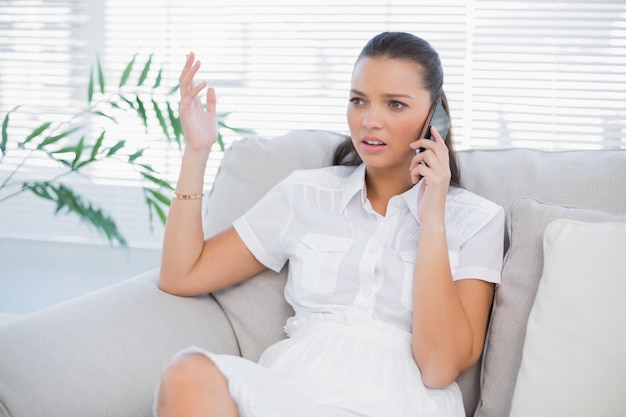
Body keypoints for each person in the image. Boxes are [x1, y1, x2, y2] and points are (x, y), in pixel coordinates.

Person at [155, 31, 504, 417]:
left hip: (399, 401)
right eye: (358, 101)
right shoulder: (305, 194)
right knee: (187, 374)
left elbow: (439, 367)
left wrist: (433, 220)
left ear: (435, 116)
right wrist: (197, 152)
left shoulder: (476, 220)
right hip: (292, 392)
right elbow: (181, 275)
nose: (370, 121)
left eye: (395, 104)